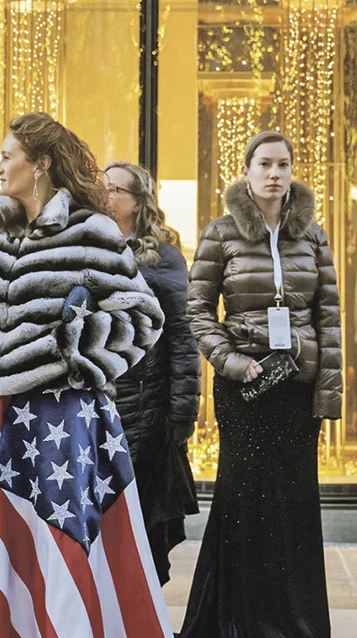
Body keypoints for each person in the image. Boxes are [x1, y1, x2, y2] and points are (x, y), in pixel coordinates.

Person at [0, 112, 173, 638]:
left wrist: (75, 349)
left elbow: (144, 317)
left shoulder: (89, 231)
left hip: (58, 423)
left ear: (42, 164)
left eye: (8, 157)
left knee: (54, 559)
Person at [180, 131, 341, 638]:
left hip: (296, 388)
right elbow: (198, 310)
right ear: (246, 171)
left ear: (293, 172)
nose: (275, 174)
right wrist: (228, 361)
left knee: (294, 502)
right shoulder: (221, 233)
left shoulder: (311, 235)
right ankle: (237, 621)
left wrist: (327, 391)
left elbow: (329, 317)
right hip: (245, 385)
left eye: (284, 165)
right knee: (243, 498)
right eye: (265, 164)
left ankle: (296, 622)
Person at [103, 161, 200, 586]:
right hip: (99, 400)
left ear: (137, 201)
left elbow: (183, 335)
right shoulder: (91, 244)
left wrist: (183, 411)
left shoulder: (162, 256)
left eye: (115, 190)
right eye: (101, 188)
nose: (105, 196)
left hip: (146, 406)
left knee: (141, 523)